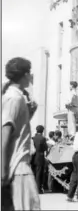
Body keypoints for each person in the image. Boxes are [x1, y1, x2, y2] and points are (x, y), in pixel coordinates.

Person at [2, 57, 40, 211]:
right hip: (19, 168)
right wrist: (2, 170)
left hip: (16, 167)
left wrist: (29, 113)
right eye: (29, 73)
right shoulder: (14, 98)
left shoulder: (16, 97)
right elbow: (4, 134)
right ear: (25, 74)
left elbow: (16, 131)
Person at [32, 125, 48, 194]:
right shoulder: (43, 138)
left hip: (33, 157)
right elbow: (45, 148)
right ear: (42, 131)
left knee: (33, 173)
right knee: (39, 174)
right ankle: (38, 189)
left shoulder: (33, 138)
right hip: (40, 157)